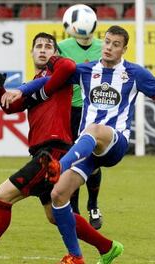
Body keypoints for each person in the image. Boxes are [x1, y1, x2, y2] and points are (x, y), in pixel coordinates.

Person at [9, 25, 155, 264]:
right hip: (87, 148)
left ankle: (59, 165)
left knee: (94, 130)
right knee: (58, 196)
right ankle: (77, 256)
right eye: (107, 42)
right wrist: (20, 89)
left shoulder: (134, 73)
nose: (109, 47)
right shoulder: (86, 71)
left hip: (114, 142)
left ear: (124, 49)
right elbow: (48, 80)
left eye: (115, 44)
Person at [0, 32, 124, 264]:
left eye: (48, 47)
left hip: (53, 152)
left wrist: (51, 65)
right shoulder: (37, 79)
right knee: (55, 215)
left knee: (2, 196)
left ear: (55, 53)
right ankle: (107, 247)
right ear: (31, 52)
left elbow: (68, 65)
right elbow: (13, 108)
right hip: (44, 152)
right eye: (39, 46)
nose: (43, 50)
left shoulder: (60, 74)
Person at [58, 22, 104, 230]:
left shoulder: (103, 47)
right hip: (68, 111)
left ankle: (93, 205)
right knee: (72, 161)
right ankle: (74, 210)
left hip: (92, 113)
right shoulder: (62, 46)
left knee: (94, 161)